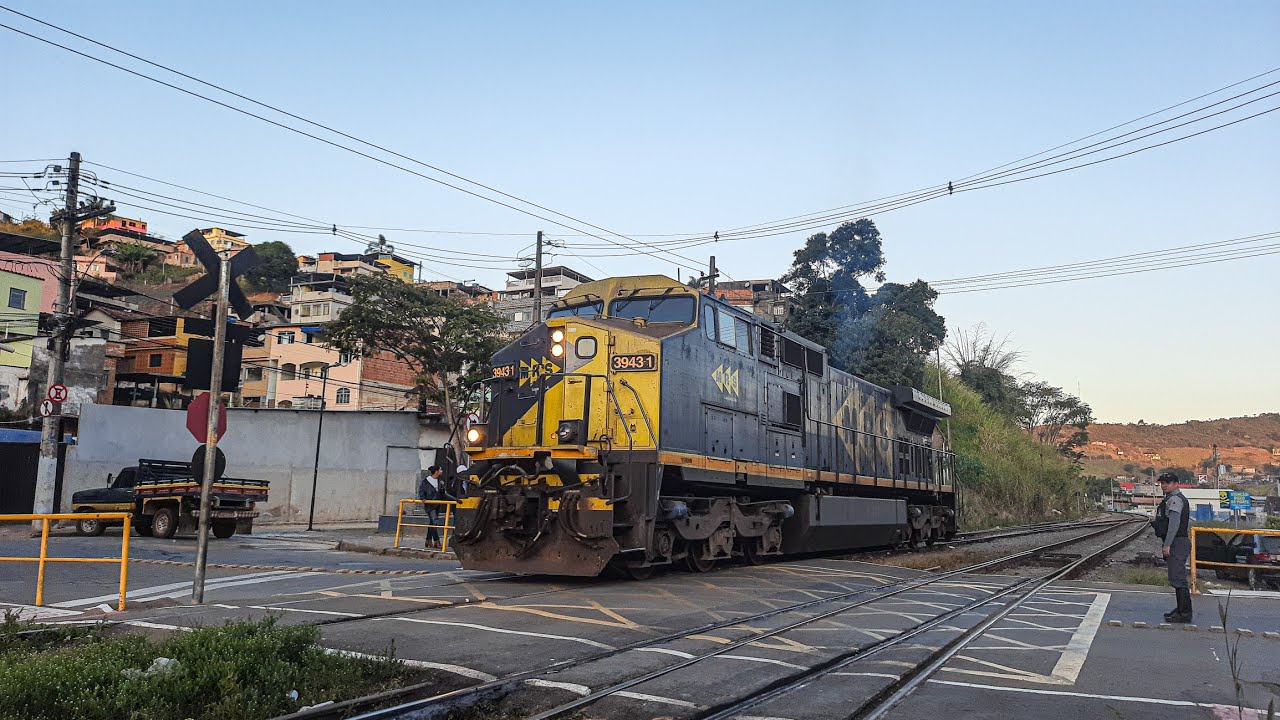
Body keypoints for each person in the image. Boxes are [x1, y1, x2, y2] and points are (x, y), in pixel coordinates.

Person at [1153, 471, 1192, 623]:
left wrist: (1167, 544)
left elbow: (1174, 524)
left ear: (1176, 484)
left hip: (1177, 541)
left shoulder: (1175, 500)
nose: (1164, 485)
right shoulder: (1172, 498)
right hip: (1178, 541)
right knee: (1176, 576)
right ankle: (1181, 609)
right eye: (1162, 483)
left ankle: (1184, 613)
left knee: (1178, 577)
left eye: (1167, 483)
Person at [417, 466, 444, 550]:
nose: (441, 471)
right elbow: (421, 490)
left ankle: (428, 540)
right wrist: (423, 498)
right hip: (430, 504)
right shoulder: (426, 481)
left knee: (432, 522)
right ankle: (437, 541)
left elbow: (442, 492)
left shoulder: (440, 481)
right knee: (434, 521)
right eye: (440, 470)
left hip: (437, 504)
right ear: (436, 471)